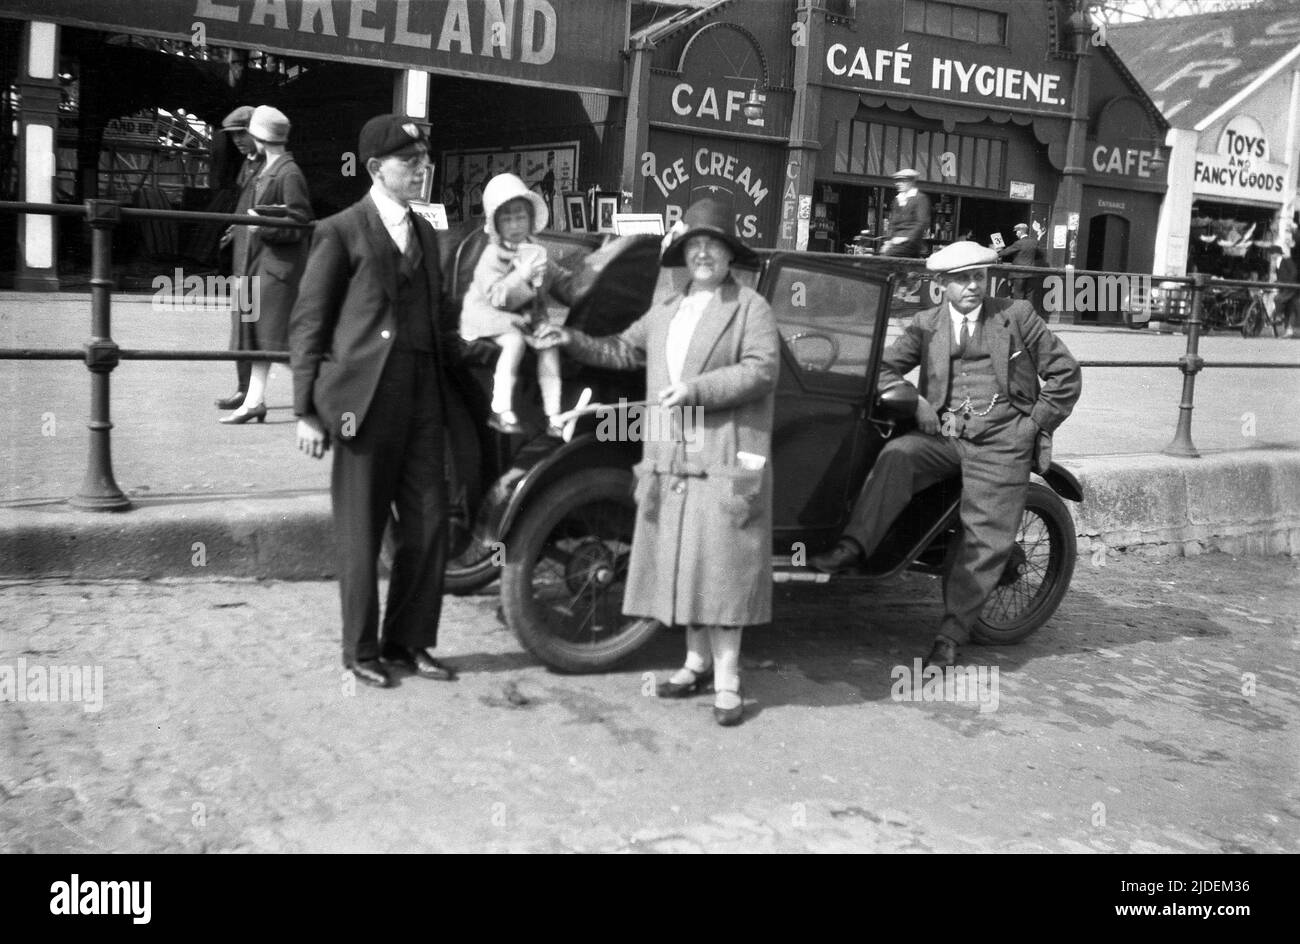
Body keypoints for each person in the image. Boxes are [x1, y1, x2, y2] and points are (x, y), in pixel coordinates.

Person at [535, 198, 779, 726]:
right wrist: (570, 339)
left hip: (722, 455)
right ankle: (693, 663)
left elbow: (761, 371)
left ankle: (729, 679)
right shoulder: (668, 310)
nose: (704, 254)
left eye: (714, 245)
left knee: (722, 568)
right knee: (683, 562)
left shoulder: (750, 308)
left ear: (730, 254)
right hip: (670, 457)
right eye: (695, 246)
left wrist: (695, 389)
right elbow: (624, 349)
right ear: (683, 254)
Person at [810, 241, 1082, 669]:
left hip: (1002, 443)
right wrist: (916, 403)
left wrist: (1032, 425)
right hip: (946, 435)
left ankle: (951, 635)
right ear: (941, 285)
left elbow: (1066, 375)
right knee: (899, 455)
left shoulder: (1016, 316)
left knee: (983, 539)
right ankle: (852, 548)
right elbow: (882, 368)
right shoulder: (926, 324)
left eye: (978, 276)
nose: (972, 286)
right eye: (961, 279)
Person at [289, 114, 460, 689]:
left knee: (429, 522)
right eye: (408, 163)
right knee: (361, 530)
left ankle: (409, 642)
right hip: (362, 403)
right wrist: (306, 411)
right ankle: (361, 650)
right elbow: (309, 324)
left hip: (422, 398)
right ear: (374, 169)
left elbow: (436, 320)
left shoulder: (428, 234)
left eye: (424, 161)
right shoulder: (340, 230)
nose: (421, 171)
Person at [459, 173, 572, 436]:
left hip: (527, 319)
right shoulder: (492, 256)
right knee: (514, 342)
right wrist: (521, 276)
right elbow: (497, 298)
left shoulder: (536, 251)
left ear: (531, 219)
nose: (515, 224)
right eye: (507, 218)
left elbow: (561, 282)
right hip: (489, 316)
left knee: (550, 345)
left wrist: (584, 286)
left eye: (520, 216)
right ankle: (501, 409)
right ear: (496, 224)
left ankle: (554, 414)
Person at [221, 105, 313, 424]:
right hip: (262, 265)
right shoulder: (267, 168)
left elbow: (301, 222)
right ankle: (254, 401)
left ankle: (326, 393)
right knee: (265, 338)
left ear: (259, 136)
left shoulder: (288, 172)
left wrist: (264, 226)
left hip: (277, 269)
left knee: (276, 339)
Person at [214, 104, 261, 411]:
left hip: (260, 257)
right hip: (243, 256)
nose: (239, 141)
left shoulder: (274, 166)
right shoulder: (249, 164)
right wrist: (235, 225)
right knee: (243, 325)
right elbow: (246, 203)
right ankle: (245, 390)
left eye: (242, 133)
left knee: (259, 327)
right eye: (233, 137)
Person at [880, 168, 931, 258]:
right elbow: (893, 223)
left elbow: (922, 222)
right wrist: (889, 241)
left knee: (887, 258)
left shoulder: (920, 198)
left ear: (911, 182)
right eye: (897, 181)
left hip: (912, 242)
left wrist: (906, 238)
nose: (898, 184)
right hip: (896, 242)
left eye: (902, 181)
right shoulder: (897, 200)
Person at [997, 222, 1040, 300]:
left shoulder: (1018, 243)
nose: (1016, 234)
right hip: (1031, 274)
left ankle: (1018, 312)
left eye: (1017, 232)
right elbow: (1038, 255)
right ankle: (1029, 312)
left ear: (1020, 232)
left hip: (1019, 274)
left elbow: (1006, 252)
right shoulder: (1034, 242)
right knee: (1030, 296)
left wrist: (997, 253)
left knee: (1018, 296)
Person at [1275, 243, 1300, 338]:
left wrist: (1287, 282)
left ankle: (1278, 316)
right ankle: (1287, 329)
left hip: (1290, 287)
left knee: (1278, 299)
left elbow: (1294, 272)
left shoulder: (1286, 260)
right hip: (1285, 287)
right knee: (1289, 307)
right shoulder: (1277, 262)